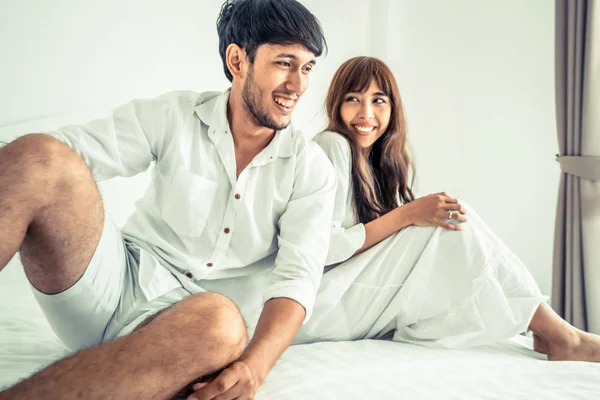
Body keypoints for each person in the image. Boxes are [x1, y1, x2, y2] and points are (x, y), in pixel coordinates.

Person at [0, 1, 336, 399]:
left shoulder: (311, 168)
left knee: (224, 325)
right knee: (42, 156)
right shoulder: (176, 114)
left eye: (308, 67)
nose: (298, 85)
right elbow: (66, 155)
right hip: (110, 283)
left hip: (185, 327)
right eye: (285, 63)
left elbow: (297, 279)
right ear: (237, 60)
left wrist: (254, 367)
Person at [310, 56, 600, 362]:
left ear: (393, 108)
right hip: (323, 304)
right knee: (448, 224)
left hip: (352, 298)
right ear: (336, 105)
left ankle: (552, 331)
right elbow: (325, 249)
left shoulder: (379, 162)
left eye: (378, 100)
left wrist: (409, 218)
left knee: (452, 221)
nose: (366, 113)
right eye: (353, 99)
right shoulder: (332, 145)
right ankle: (559, 335)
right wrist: (407, 215)